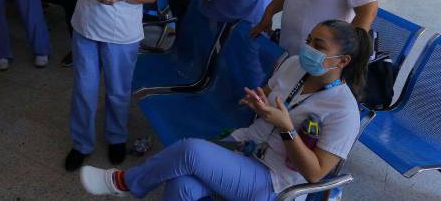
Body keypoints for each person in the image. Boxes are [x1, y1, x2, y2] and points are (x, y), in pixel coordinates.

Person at [80, 20, 371, 201]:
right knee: (182, 185)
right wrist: (259, 100)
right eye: (308, 40)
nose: (308, 48)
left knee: (190, 151)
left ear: (342, 61)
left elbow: (316, 174)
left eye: (318, 45)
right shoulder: (295, 64)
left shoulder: (344, 111)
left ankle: (124, 182)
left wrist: (287, 129)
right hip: (243, 147)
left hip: (272, 182)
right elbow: (269, 94)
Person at [16, 0, 160, 172]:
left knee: (118, 91)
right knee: (84, 89)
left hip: (122, 35)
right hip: (87, 27)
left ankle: (116, 137)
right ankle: (82, 143)